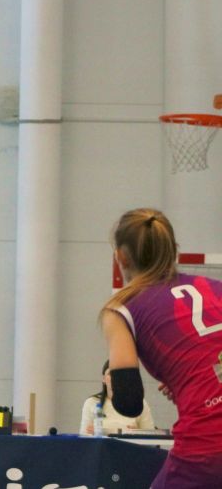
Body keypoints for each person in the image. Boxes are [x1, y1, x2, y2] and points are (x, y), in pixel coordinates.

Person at [101, 208, 222, 488]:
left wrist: (190, 380)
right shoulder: (215, 287)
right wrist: (194, 377)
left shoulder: (120, 309)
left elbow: (129, 401)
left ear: (121, 257)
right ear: (173, 250)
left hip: (209, 442)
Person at [79, 360, 155, 436]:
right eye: (110, 373)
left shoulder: (139, 402)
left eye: (120, 374)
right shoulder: (92, 402)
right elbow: (84, 437)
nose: (115, 378)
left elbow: (151, 437)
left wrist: (138, 433)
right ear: (104, 379)